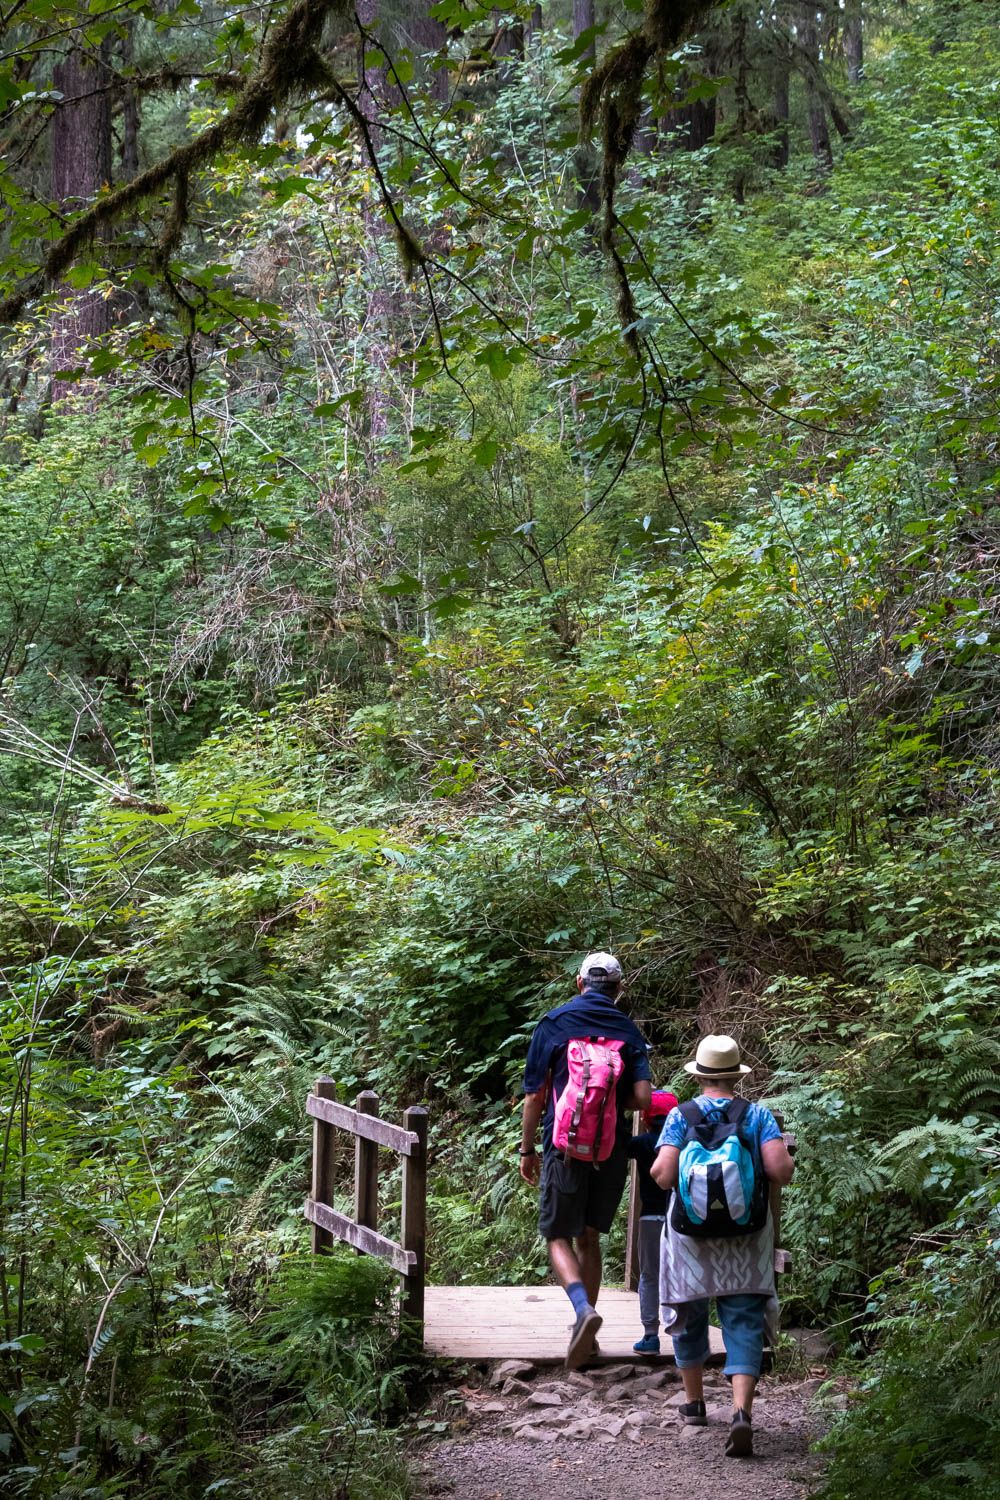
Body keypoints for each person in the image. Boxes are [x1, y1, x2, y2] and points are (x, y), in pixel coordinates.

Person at [650, 1035, 795, 1458]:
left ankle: (694, 1405)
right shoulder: (759, 1115)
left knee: (688, 1311)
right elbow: (780, 1172)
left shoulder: (681, 1115)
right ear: (736, 1076)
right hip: (746, 1237)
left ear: (699, 1075)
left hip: (689, 1237)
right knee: (744, 1317)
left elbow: (661, 1176)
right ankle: (740, 1412)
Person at [520, 951, 652, 1367]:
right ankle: (589, 1340)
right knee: (589, 1238)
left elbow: (534, 1096)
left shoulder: (554, 1023)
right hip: (610, 1149)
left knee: (557, 1236)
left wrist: (527, 1149)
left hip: (563, 1148)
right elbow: (644, 1099)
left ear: (579, 983)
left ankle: (582, 1312)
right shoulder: (628, 1031)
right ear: (618, 988)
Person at [625, 1088, 678, 1354]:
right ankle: (685, 1335)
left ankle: (650, 1336)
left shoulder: (643, 1144)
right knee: (680, 1275)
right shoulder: (682, 1144)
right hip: (681, 1219)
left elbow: (618, 1143)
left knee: (649, 1276)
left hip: (651, 1218)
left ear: (646, 1118)